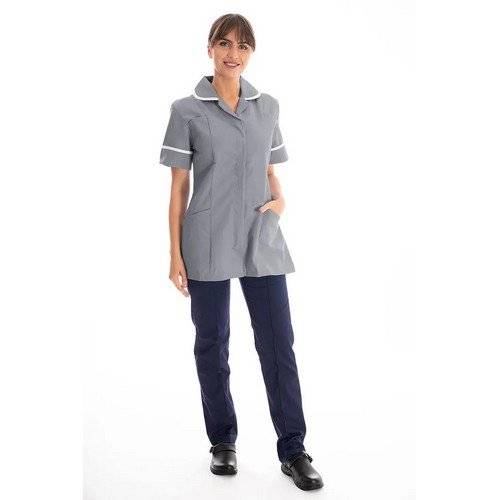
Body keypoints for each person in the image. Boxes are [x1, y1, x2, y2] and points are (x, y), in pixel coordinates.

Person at [159, 13, 324, 491]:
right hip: (207, 238)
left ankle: (293, 449)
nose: (234, 53)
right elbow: (179, 188)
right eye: (225, 43)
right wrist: (174, 254)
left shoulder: (267, 107)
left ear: (251, 53)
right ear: (210, 47)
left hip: (259, 235)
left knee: (278, 343)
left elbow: (271, 171)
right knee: (212, 344)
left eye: (243, 46)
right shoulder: (186, 111)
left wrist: (281, 200)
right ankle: (222, 441)